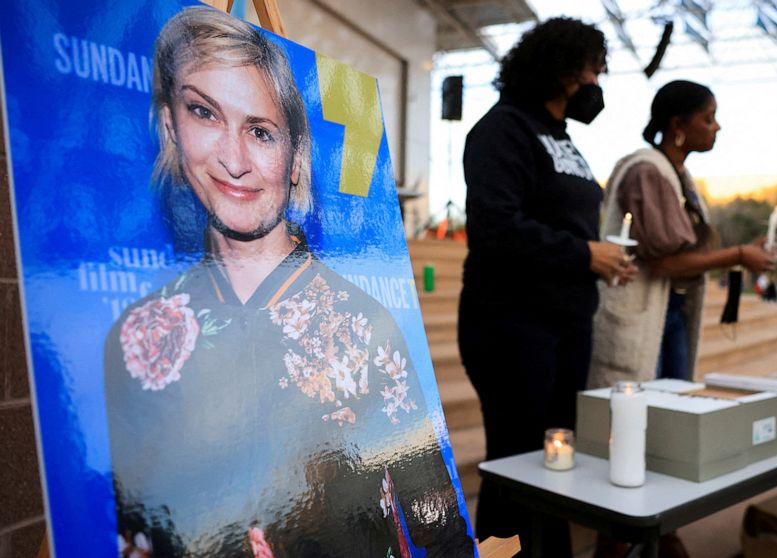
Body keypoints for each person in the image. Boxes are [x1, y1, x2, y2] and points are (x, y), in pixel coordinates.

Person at [103, 7, 474, 557]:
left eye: (260, 131)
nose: (233, 159)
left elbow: (437, 527)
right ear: (170, 127)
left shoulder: (360, 328)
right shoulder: (136, 340)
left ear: (297, 157)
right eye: (204, 112)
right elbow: (137, 532)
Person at [458, 17, 635, 557]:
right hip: (511, 325)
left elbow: (564, 220)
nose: (599, 82)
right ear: (561, 70)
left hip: (566, 324)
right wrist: (585, 253)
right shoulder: (501, 130)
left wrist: (601, 254)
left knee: (557, 457)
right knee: (517, 464)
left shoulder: (563, 138)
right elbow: (495, 227)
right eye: (593, 70)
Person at [589, 80, 775, 389]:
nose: (717, 127)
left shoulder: (678, 175)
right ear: (678, 123)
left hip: (671, 313)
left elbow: (685, 251)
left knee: (671, 414)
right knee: (641, 415)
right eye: (708, 117)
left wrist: (747, 249)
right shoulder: (647, 171)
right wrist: (739, 255)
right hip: (643, 313)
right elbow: (664, 263)